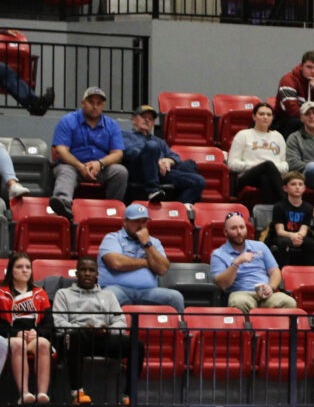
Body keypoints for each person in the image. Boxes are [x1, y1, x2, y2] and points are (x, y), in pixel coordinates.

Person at [52, 255, 142, 407]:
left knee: (136, 344)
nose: (87, 273)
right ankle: (78, 392)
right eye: (83, 270)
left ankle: (129, 397)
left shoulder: (108, 295)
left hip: (103, 337)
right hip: (77, 338)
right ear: (76, 273)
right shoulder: (63, 294)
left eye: (91, 270)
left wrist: (108, 330)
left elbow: (120, 321)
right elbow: (59, 322)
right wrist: (82, 329)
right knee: (74, 336)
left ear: (97, 274)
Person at [49, 86, 128, 218]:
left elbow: (118, 154)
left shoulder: (112, 125)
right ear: (83, 103)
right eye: (91, 102)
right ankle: (62, 205)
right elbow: (61, 151)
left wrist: (99, 164)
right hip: (73, 167)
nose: (95, 106)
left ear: (103, 105)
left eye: (99, 103)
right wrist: (80, 167)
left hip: (100, 170)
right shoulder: (68, 121)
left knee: (120, 172)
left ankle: (112, 210)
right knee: (65, 171)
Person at [97, 203, 184, 313]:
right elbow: (116, 263)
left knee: (175, 297)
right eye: (136, 221)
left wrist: (147, 243)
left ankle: (179, 330)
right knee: (108, 296)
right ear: (125, 222)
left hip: (148, 292)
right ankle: (105, 330)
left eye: (144, 221)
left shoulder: (153, 242)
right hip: (117, 289)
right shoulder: (112, 238)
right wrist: (147, 262)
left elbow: (162, 269)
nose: (141, 225)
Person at [210, 212, 296, 314]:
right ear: (225, 232)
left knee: (289, 302)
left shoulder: (260, 246)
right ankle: (248, 330)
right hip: (241, 293)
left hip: (265, 294)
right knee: (239, 302)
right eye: (234, 228)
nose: (239, 232)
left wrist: (271, 287)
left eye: (242, 227)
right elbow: (222, 284)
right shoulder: (218, 255)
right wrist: (236, 263)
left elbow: (275, 272)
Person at [121, 104, 206, 204]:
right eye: (143, 117)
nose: (147, 120)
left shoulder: (159, 141)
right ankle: (153, 190)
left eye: (150, 119)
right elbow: (131, 153)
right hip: (139, 172)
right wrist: (155, 160)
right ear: (134, 119)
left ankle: (180, 210)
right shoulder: (124, 135)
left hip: (161, 173)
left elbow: (175, 157)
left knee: (194, 172)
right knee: (152, 146)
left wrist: (168, 161)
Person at [0, 253, 52, 406]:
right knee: (18, 344)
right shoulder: (1, 294)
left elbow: (50, 324)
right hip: (10, 338)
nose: (24, 270)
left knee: (43, 343)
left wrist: (38, 332)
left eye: (28, 267)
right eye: (19, 267)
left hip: (33, 337)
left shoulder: (40, 293)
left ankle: (42, 394)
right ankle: (24, 394)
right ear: (11, 271)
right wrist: (15, 333)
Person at [227, 102, 288, 204]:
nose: (265, 117)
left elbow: (285, 165)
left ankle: (269, 213)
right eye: (261, 114)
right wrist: (254, 166)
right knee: (267, 164)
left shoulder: (278, 136)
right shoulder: (243, 135)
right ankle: (285, 202)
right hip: (246, 176)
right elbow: (232, 164)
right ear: (254, 117)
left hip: (271, 177)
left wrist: (269, 168)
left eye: (269, 115)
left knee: (264, 178)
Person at [274, 49, 314, 136]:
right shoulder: (288, 80)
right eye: (309, 67)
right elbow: (293, 111)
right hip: (286, 119)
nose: (313, 71)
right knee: (295, 123)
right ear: (302, 66)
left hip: (313, 119)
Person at [268, 171, 314, 267]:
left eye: (300, 184)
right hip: (283, 236)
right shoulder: (279, 206)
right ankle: (283, 273)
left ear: (304, 188)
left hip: (299, 236)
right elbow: (280, 231)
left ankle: (309, 273)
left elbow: (304, 229)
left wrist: (298, 237)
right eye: (293, 184)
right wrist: (292, 236)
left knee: (310, 243)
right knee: (284, 242)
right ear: (285, 188)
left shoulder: (308, 208)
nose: (297, 187)